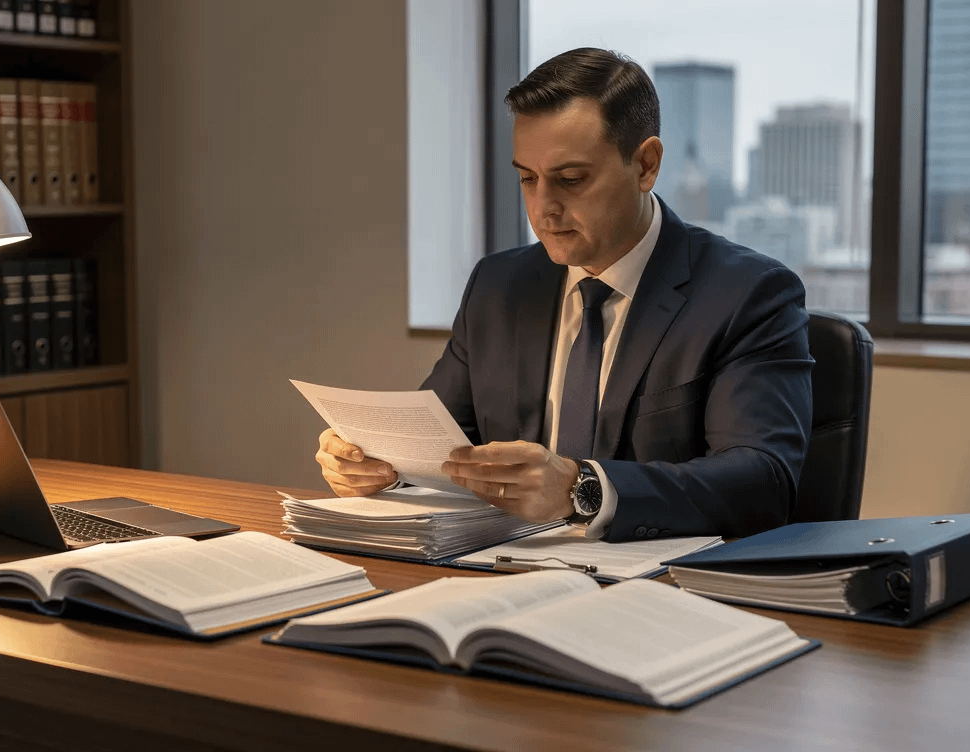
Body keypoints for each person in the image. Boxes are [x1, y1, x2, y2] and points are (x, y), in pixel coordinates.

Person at [315, 48, 812, 540]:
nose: (543, 208)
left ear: (646, 165)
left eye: (570, 180)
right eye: (527, 179)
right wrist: (378, 466)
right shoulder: (498, 286)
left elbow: (762, 482)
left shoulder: (749, 294)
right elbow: (441, 445)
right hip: (508, 573)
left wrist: (584, 487)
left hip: (662, 590)